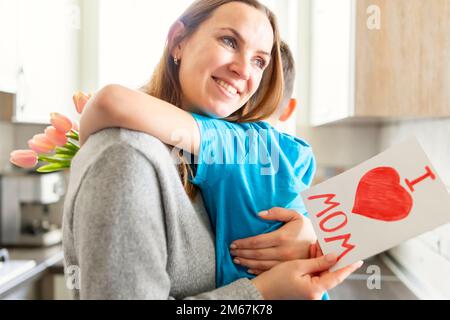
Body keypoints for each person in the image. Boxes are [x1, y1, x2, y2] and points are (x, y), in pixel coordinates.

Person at [65, 0, 362, 300]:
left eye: (260, 61)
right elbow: (110, 102)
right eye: (229, 41)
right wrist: (262, 293)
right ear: (178, 41)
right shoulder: (126, 158)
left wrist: (307, 237)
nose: (244, 69)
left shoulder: (219, 152)